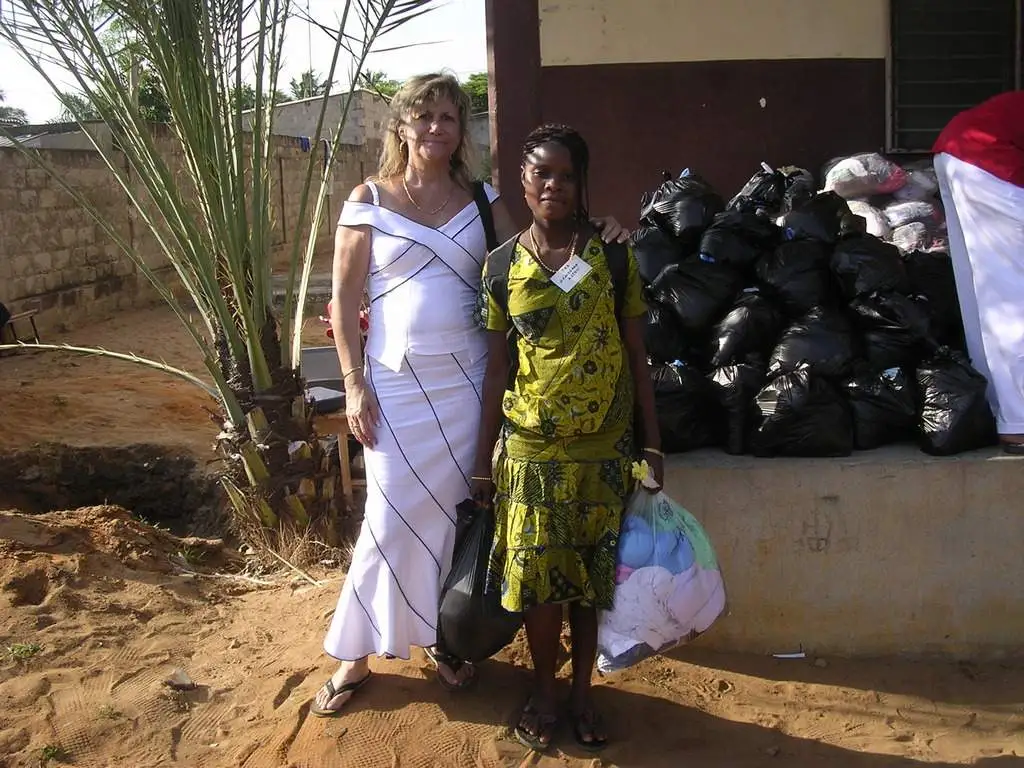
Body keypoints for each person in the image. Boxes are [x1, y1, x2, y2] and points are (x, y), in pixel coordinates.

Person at [312, 74, 628, 717]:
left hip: (468, 391)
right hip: (395, 388)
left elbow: (536, 256)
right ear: (401, 125)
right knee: (389, 519)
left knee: (454, 522)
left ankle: (442, 638)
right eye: (424, 115)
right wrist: (353, 384)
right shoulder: (368, 199)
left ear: (462, 132)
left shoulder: (483, 201)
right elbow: (343, 301)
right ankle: (356, 653)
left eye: (449, 118)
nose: (436, 127)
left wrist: (597, 233)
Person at [471, 124, 663, 752]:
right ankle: (544, 692)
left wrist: (652, 444)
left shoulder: (612, 256)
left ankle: (582, 693)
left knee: (589, 580)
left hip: (602, 451)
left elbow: (636, 356)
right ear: (523, 183)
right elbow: (496, 370)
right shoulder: (501, 267)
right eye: (541, 174)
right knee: (536, 582)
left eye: (567, 175)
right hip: (530, 452)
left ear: (583, 184)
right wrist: (481, 463)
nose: (554, 185)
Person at [932, 91, 1024, 454]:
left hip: (957, 151)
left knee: (981, 289)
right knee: (1011, 291)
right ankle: (1018, 422)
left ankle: (996, 411)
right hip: (987, 157)